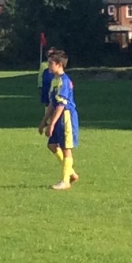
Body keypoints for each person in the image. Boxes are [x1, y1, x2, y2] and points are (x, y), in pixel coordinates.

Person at [39, 49, 79, 190]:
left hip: (65, 117)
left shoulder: (64, 81)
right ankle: (71, 173)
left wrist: (52, 124)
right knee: (52, 145)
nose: (48, 66)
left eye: (51, 63)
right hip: (57, 116)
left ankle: (65, 181)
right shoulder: (54, 80)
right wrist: (44, 121)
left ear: (59, 64)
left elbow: (61, 105)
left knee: (66, 148)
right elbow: (52, 103)